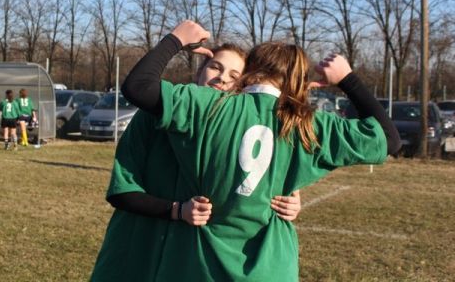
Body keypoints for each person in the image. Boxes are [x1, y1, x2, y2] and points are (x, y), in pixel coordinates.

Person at [115, 20, 400, 281]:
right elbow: (389, 140)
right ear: (298, 81)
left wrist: (176, 39)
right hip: (271, 269)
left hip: (201, 266)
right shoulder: (308, 126)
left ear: (248, 75)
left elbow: (138, 86)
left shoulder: (207, 106)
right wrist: (347, 78)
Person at [91, 44, 302, 281]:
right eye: (215, 67)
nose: (222, 78)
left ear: (244, 86)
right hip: (137, 249)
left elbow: (258, 185)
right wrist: (176, 210)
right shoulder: (152, 116)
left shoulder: (241, 135)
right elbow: (122, 191)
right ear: (200, 70)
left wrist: (289, 199)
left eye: (234, 75)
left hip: (188, 262)